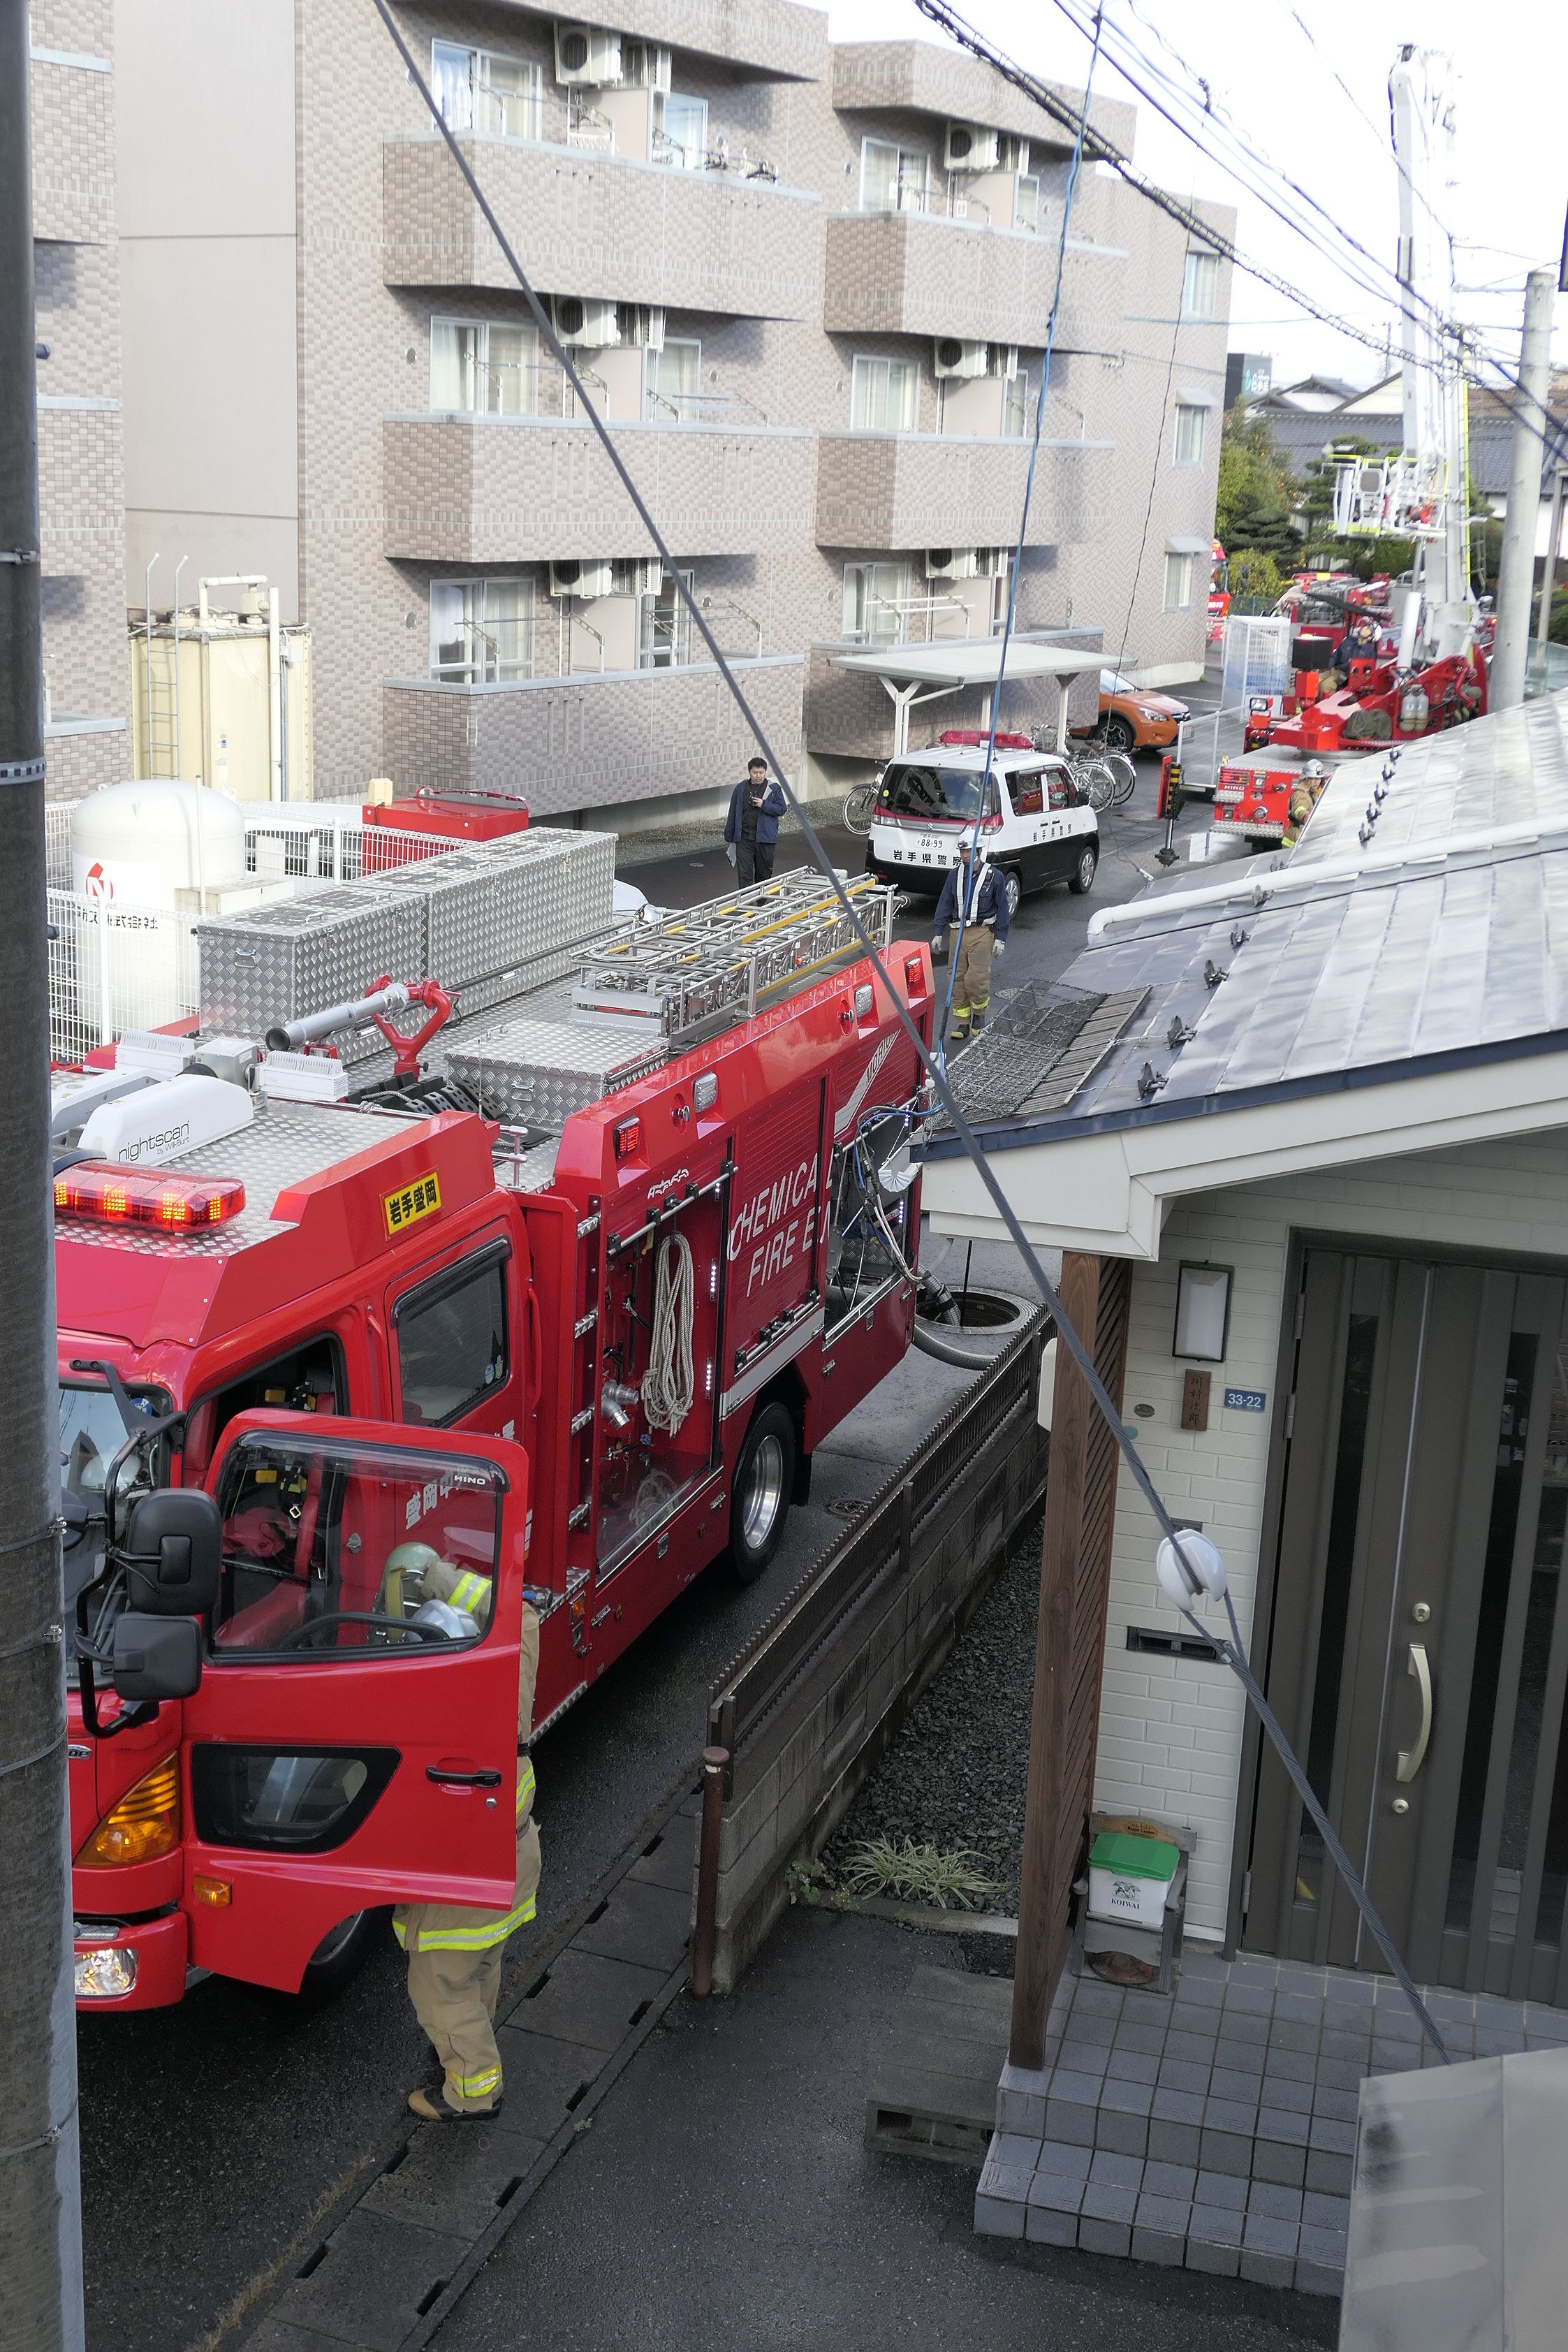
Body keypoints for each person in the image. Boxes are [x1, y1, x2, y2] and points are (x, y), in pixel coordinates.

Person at [386, 1542, 541, 2123]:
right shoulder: (510, 1675)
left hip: (465, 1883)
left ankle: (474, 2088)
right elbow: (520, 1611)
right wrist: (443, 1576)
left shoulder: (436, 1716)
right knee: (478, 1970)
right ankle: (467, 2049)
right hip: (517, 1856)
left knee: (438, 1987)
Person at [931, 836, 1011, 1043]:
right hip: (957, 932)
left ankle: (979, 1017)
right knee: (956, 979)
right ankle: (962, 1022)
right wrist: (938, 933)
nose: (965, 856)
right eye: (962, 852)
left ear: (979, 851)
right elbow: (945, 903)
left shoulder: (994, 876)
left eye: (969, 852)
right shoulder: (954, 876)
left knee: (976, 978)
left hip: (982, 932)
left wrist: (1000, 938)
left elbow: (1003, 908)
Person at [724, 756, 786, 887]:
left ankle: (761, 903)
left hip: (765, 839)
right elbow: (733, 812)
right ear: (749, 772)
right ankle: (746, 904)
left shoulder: (774, 789)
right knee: (744, 874)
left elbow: (782, 809)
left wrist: (764, 804)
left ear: (765, 772)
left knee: (763, 874)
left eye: (761, 773)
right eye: (755, 773)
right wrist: (729, 835)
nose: (758, 776)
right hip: (744, 839)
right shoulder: (741, 788)